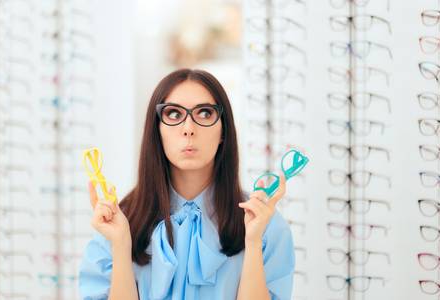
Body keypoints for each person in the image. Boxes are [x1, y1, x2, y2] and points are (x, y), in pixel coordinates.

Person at [78, 69, 295, 300]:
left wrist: (252, 242)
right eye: (173, 114)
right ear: (157, 131)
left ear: (223, 130)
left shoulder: (264, 224)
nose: (189, 128)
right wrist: (121, 246)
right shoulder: (117, 224)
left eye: (204, 113)